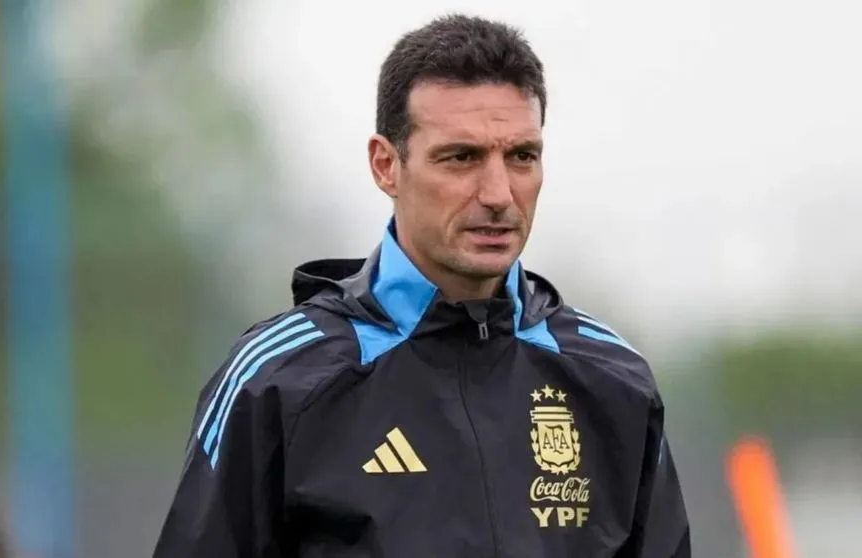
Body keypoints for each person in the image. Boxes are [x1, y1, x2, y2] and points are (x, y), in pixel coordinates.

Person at [153, 13, 690, 557]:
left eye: (522, 156)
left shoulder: (613, 381)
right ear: (386, 165)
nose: (498, 193)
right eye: (462, 157)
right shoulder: (277, 380)